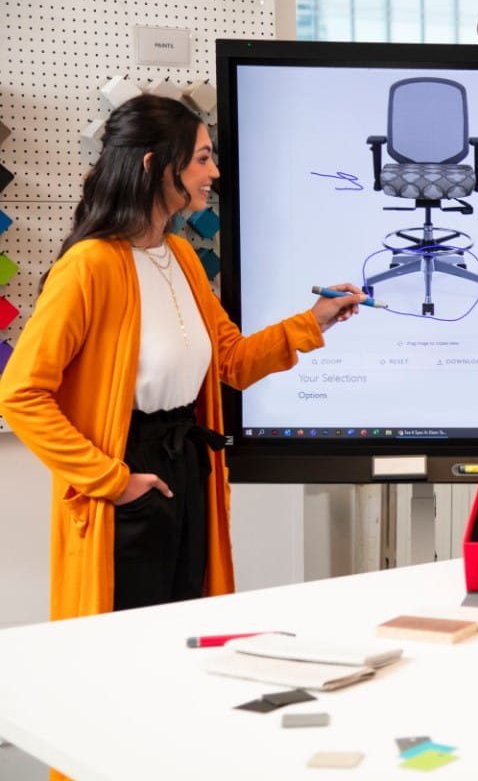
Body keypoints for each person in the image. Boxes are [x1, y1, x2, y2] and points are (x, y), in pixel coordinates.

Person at [0, 94, 367, 622]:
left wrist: (316, 319)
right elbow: (20, 394)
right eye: (201, 157)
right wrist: (112, 481)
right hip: (126, 472)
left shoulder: (183, 256)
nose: (213, 170)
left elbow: (232, 361)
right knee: (125, 642)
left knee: (185, 628)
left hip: (188, 465)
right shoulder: (88, 267)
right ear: (154, 165)